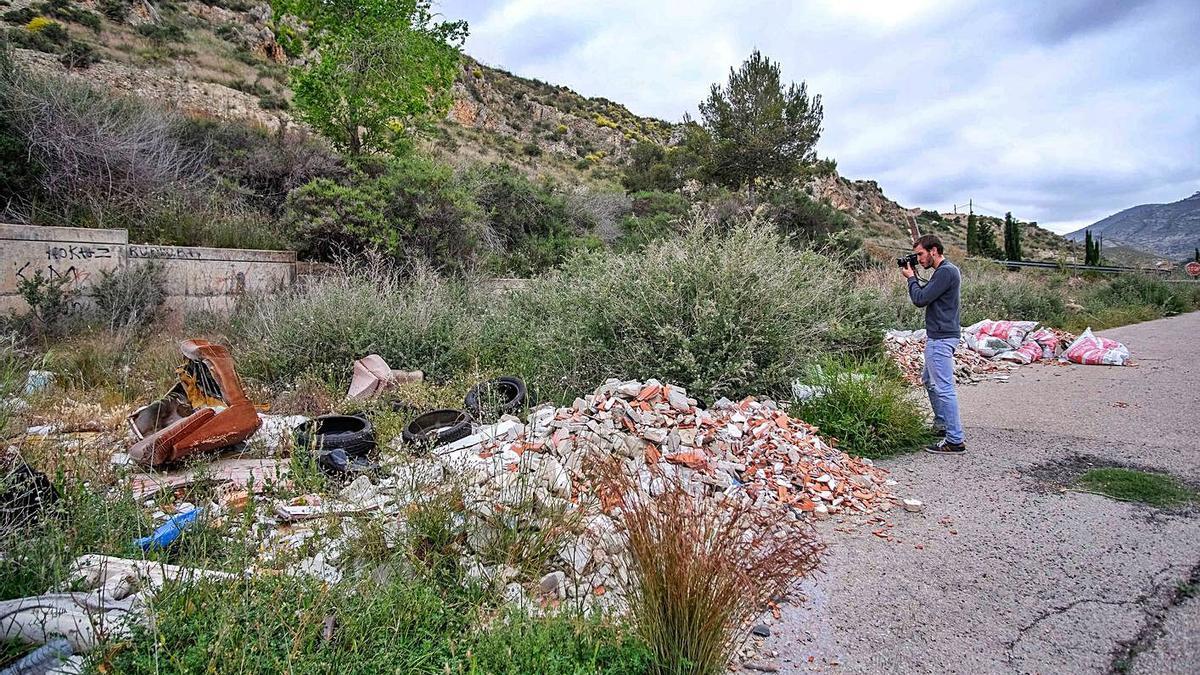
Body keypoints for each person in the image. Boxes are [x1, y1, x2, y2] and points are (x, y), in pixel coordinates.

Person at [901, 234, 966, 454]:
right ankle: (942, 424)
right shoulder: (944, 272)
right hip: (940, 335)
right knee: (929, 380)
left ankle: (954, 440)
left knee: (943, 387)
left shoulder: (946, 271)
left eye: (920, 254)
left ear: (934, 250)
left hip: (941, 338)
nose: (918, 259)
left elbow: (920, 299)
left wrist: (911, 278)